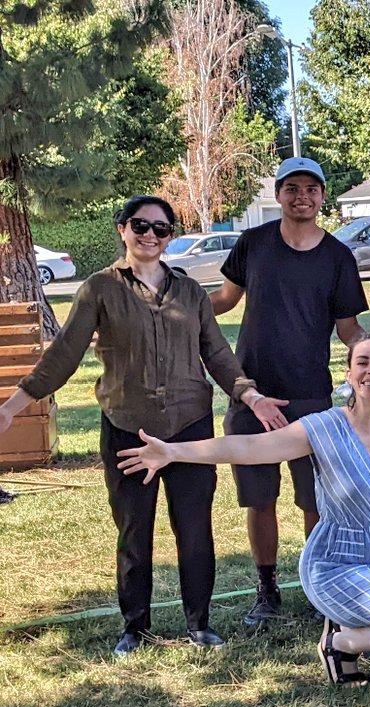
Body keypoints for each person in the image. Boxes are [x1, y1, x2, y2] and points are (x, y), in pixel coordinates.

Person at [0, 196, 285, 655]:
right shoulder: (99, 289)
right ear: (122, 229)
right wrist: (14, 406)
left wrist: (248, 393)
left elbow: (216, 353)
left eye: (161, 228)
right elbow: (65, 353)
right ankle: (135, 627)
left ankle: (199, 624)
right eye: (140, 225)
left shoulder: (190, 293)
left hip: (189, 428)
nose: (150, 235)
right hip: (127, 426)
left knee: (194, 527)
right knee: (135, 529)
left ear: (170, 236)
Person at [117, 334, 370, 692]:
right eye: (362, 363)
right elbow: (249, 446)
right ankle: (339, 644)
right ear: (348, 375)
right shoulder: (324, 427)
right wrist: (174, 452)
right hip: (336, 564)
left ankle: (347, 640)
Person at [209, 157, 370, 626]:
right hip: (252, 394)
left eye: (311, 189)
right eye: (292, 188)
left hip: (311, 399)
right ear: (278, 195)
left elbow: (349, 328)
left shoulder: (338, 257)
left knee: (315, 502)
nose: (302, 196)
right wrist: (173, 308)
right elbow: (222, 300)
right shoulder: (254, 244)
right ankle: (267, 588)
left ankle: (320, 587)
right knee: (259, 500)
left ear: (322, 196)